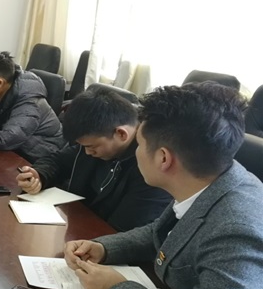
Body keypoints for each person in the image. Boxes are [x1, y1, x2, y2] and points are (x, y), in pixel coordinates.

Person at [63, 83, 263, 289]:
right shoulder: (211, 178)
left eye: (140, 143)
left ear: (163, 158)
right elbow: (163, 232)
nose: (136, 152)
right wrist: (103, 247)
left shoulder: (237, 229)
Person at [16, 87, 171, 231]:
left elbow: (125, 230)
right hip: (78, 225)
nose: (87, 152)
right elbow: (58, 160)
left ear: (121, 134)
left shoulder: (150, 169)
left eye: (91, 146)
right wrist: (39, 175)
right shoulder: (94, 141)